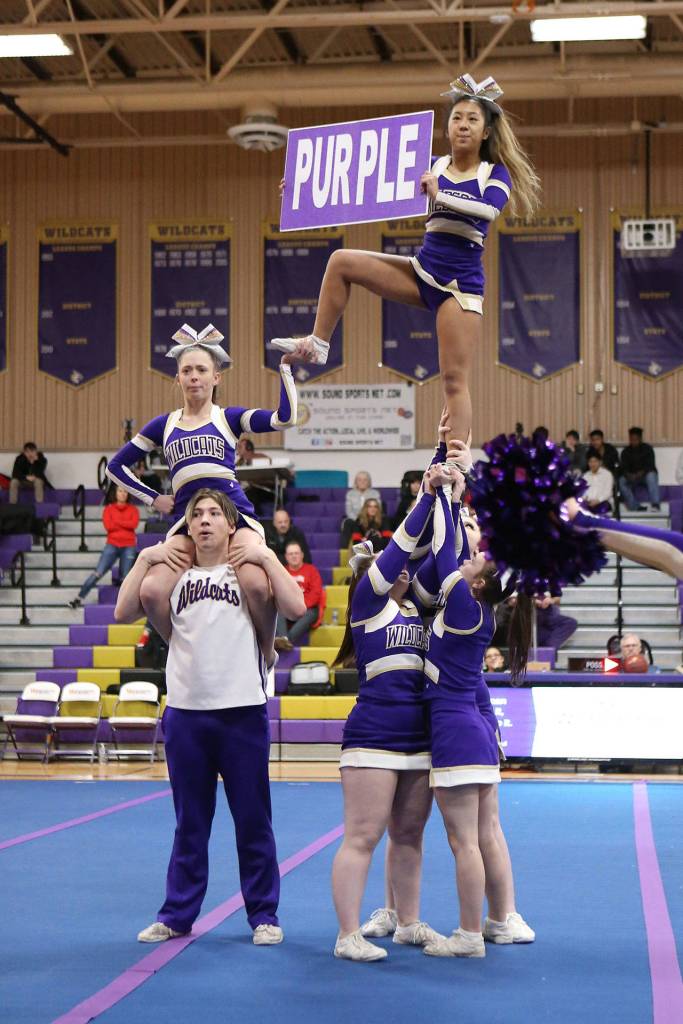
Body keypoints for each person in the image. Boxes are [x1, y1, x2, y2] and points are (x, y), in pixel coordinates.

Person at [273, 73, 540, 445]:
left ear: (485, 132)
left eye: (472, 120)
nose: (463, 125)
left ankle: (456, 463)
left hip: (458, 290)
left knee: (453, 380)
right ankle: (319, 343)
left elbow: (488, 210)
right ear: (447, 127)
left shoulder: (493, 173)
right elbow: (363, 184)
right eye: (457, 118)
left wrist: (440, 193)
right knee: (341, 261)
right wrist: (302, 190)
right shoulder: (432, 163)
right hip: (421, 272)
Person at [115, 488, 305, 946]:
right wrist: (146, 558)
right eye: (195, 515)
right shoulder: (172, 574)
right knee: (190, 823)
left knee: (253, 819)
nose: (203, 521)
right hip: (186, 715)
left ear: (230, 524)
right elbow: (124, 612)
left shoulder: (248, 571)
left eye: (213, 514)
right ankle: (177, 913)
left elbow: (297, 609)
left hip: (241, 710)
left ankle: (264, 915)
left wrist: (264, 552)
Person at [106, 323, 314, 666]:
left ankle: (264, 649)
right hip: (187, 520)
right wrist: (153, 498)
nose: (194, 377)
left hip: (234, 515)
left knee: (257, 585)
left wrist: (286, 368)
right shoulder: (164, 424)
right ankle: (178, 647)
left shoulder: (227, 417)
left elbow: (284, 419)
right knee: (152, 591)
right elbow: (115, 467)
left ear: (216, 377)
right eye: (186, 371)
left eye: (201, 370)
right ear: (177, 378)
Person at [330, 466, 451, 962]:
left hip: (416, 740)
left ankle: (409, 921)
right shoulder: (367, 603)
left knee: (409, 836)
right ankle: (346, 934)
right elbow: (403, 546)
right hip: (373, 738)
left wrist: (446, 481)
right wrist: (425, 494)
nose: (398, 565)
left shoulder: (416, 608)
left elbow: (439, 557)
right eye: (386, 562)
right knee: (362, 836)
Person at [419, 465, 533, 959]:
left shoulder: (465, 604)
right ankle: (502, 919)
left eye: (479, 560)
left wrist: (450, 494)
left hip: (455, 730)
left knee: (463, 839)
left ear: (480, 584)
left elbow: (446, 550)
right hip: (475, 727)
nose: (471, 557)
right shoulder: (480, 607)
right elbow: (455, 554)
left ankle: (467, 935)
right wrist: (459, 496)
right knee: (488, 832)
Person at [68, 485, 140, 609]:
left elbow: (133, 524)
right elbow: (109, 526)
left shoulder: (133, 510)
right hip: (112, 545)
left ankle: (127, 607)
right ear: (115, 493)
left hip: (128, 546)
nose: (123, 494)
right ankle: (78, 598)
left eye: (125, 492)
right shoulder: (108, 509)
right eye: (120, 491)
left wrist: (117, 522)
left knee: (126, 578)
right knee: (98, 573)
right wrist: (125, 524)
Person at [275, 541, 324, 649]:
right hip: (287, 609)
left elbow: (316, 594)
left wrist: (299, 606)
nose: (294, 556)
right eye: (291, 554)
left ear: (302, 555)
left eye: (296, 553)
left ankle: (284, 640)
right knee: (277, 609)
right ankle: (284, 639)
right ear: (286, 557)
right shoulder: (282, 571)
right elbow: (277, 592)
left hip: (307, 609)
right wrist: (290, 606)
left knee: (311, 613)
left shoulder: (311, 570)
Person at [619, 426, 660, 511]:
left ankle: (655, 504)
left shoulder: (648, 449)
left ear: (640, 438)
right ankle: (635, 506)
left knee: (652, 475)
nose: (633, 441)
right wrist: (628, 475)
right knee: (621, 481)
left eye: (636, 439)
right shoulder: (625, 451)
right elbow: (623, 468)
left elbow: (650, 465)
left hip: (644, 476)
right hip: (632, 477)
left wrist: (641, 473)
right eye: (631, 439)